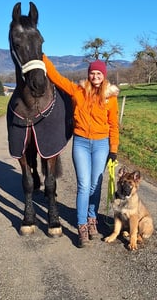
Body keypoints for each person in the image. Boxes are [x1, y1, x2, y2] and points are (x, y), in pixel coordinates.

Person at [43, 53, 119, 247]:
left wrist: (113, 149)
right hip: (82, 143)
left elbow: (113, 125)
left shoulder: (110, 97)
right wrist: (41, 56)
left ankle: (92, 219)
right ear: (88, 75)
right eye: (92, 73)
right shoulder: (78, 91)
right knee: (84, 185)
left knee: (96, 184)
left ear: (104, 76)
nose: (95, 77)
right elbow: (56, 78)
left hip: (102, 144)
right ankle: (82, 226)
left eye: (98, 74)